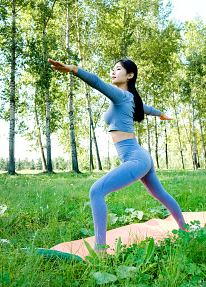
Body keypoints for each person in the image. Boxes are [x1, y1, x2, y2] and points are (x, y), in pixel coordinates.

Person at [48, 58, 187, 252]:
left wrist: (74, 69)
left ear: (130, 75)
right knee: (160, 194)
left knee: (96, 192)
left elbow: (96, 82)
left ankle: (100, 250)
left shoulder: (121, 96)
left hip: (135, 158)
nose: (113, 72)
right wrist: (160, 113)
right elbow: (144, 109)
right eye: (112, 69)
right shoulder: (130, 98)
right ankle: (185, 230)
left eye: (118, 69)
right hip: (140, 156)